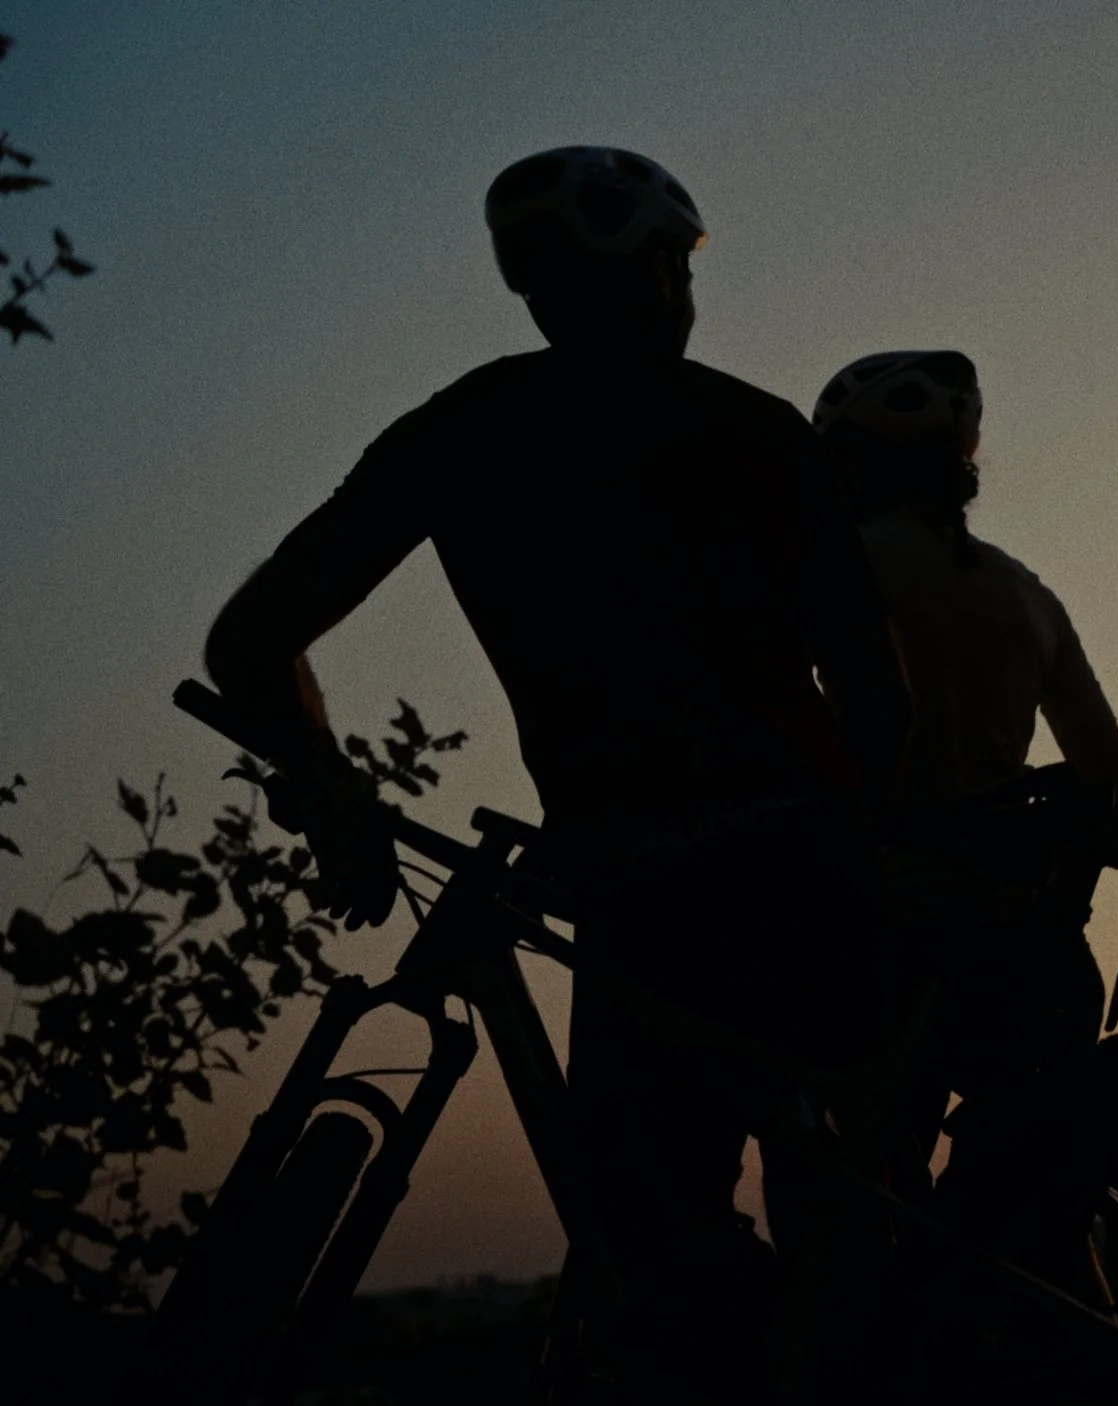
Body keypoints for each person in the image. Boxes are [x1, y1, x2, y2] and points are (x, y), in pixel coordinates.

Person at [203, 146, 910, 1398]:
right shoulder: (759, 426)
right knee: (857, 1238)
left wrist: (334, 795)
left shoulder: (466, 427)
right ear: (655, 269)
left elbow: (252, 641)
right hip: (815, 863)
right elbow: (874, 692)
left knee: (662, 1254)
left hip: (643, 889)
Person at [810, 348, 1118, 1135]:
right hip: (1029, 939)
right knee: (1029, 1191)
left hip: (888, 924)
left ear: (847, 463)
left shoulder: (839, 566)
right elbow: (1115, 785)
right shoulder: (1027, 594)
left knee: (854, 1185)